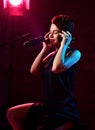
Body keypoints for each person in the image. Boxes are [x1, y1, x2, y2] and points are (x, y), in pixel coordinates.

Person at [6, 14, 82, 130]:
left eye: (55, 32)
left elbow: (56, 68)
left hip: (63, 110)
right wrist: (45, 49)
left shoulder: (74, 54)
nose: (50, 35)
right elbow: (34, 71)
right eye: (50, 31)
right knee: (12, 113)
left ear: (65, 35)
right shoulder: (52, 54)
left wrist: (64, 45)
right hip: (47, 106)